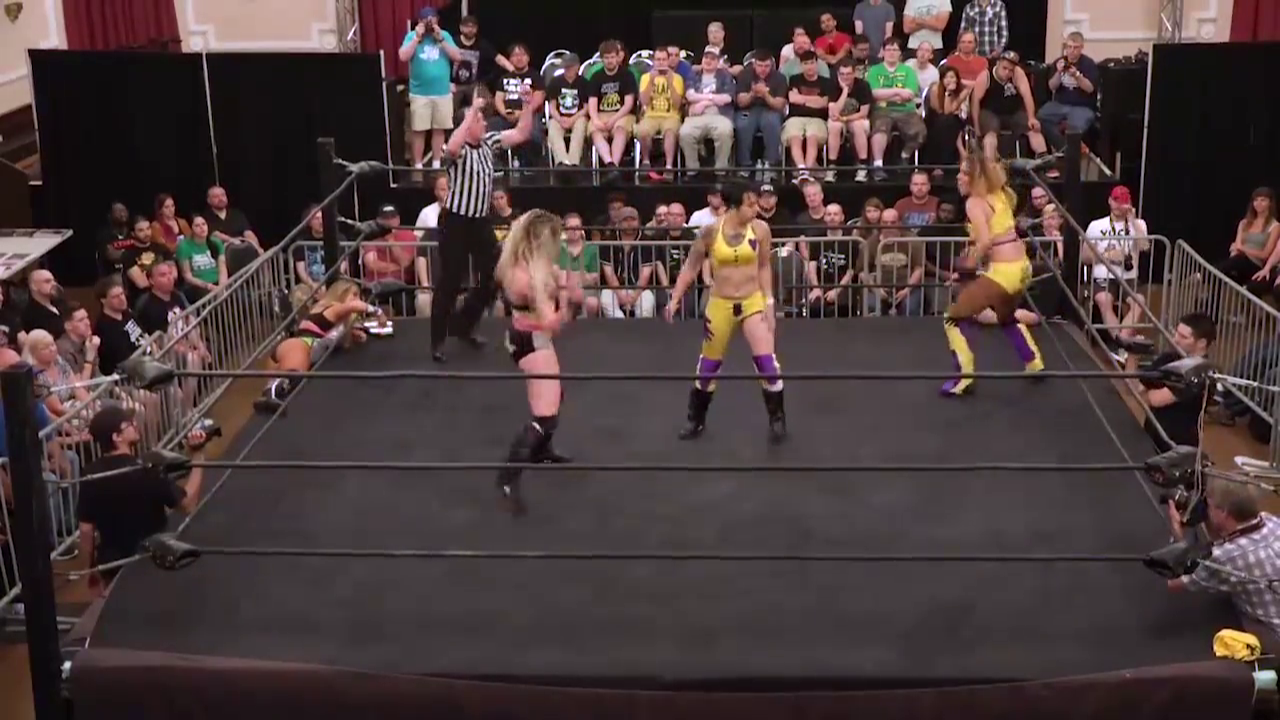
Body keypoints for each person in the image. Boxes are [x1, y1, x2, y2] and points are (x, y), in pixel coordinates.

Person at [665, 182, 786, 442]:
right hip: (721, 302)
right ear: (734, 207)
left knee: (767, 363)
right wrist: (675, 298)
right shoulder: (710, 232)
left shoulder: (761, 229)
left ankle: (777, 419)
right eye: (750, 205)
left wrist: (769, 301)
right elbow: (691, 267)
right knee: (708, 366)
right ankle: (695, 419)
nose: (757, 209)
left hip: (752, 301)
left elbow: (764, 266)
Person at [430, 90, 534, 363]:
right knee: (450, 281)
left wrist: (526, 104)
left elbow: (521, 133)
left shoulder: (489, 142)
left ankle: (464, 324)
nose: (485, 122)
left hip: (479, 221)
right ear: (466, 125)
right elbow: (452, 149)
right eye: (479, 119)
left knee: (495, 273)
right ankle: (437, 340)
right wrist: (470, 112)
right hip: (455, 220)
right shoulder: (458, 150)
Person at [492, 210, 581, 512]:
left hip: (523, 334)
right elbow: (553, 322)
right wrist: (567, 298)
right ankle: (507, 477)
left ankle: (543, 450)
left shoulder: (516, 262)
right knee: (545, 415)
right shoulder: (531, 277)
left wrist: (561, 281)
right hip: (533, 341)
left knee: (556, 396)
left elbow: (554, 275)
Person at [941, 138, 1044, 396]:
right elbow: (989, 165)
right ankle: (1034, 362)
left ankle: (964, 377)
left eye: (962, 174)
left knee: (953, 318)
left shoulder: (975, 203)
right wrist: (981, 147)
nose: (958, 178)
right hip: (1022, 267)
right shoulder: (1000, 194)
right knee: (1006, 317)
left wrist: (966, 267)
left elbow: (985, 241)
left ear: (973, 178)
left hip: (1005, 271)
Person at [77, 405, 208, 588]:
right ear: (117, 437)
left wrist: (89, 569)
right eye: (129, 424)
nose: (135, 425)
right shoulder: (147, 470)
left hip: (114, 565)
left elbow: (86, 529)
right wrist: (198, 457)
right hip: (153, 561)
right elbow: (187, 504)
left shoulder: (90, 474)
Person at [1165, 477, 1280, 653]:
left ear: (1224, 511)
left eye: (1209, 506)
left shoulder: (1225, 557)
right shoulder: (1271, 520)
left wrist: (1177, 534)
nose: (1206, 510)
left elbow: (1174, 583)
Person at [254, 279, 383, 414]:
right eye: (354, 294)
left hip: (299, 350)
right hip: (297, 346)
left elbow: (328, 335)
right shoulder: (332, 307)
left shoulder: (338, 318)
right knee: (292, 377)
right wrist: (379, 312)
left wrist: (352, 333)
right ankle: (268, 395)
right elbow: (353, 306)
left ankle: (271, 398)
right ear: (341, 293)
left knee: (293, 383)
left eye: (359, 296)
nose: (358, 299)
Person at [1129, 312, 1216, 451]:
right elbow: (1133, 385)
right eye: (1177, 333)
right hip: (1151, 434)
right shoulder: (1169, 357)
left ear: (1202, 343)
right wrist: (1133, 355)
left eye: (1183, 337)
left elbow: (1155, 400)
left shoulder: (1200, 374)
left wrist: (1144, 392)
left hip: (1176, 445)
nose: (1175, 339)